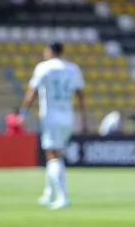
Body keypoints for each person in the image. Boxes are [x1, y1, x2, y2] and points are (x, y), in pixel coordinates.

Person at [17, 42, 87, 210]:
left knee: (52, 155)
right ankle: (48, 194)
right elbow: (80, 96)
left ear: (49, 52)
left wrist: (23, 114)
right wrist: (84, 120)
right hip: (67, 116)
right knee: (56, 154)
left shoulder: (43, 68)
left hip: (50, 116)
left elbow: (31, 93)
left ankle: (63, 197)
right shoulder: (72, 68)